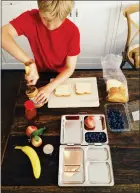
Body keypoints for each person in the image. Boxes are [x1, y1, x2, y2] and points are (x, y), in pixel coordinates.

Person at [2, 0, 80, 105]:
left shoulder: (73, 31)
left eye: (56, 21)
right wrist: (29, 62)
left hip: (62, 76)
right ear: (39, 9)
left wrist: (49, 88)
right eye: (45, 19)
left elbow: (69, 68)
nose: (50, 26)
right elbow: (2, 35)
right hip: (41, 73)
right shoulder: (30, 18)